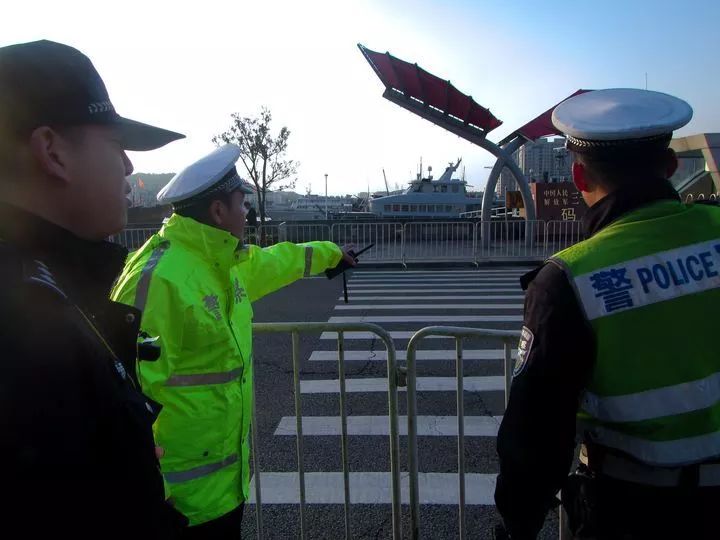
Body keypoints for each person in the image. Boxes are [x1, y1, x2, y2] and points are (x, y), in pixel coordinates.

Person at [494, 88, 720, 539]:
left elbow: (536, 435)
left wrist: (516, 526)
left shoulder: (569, 278)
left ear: (579, 175)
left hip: (635, 510)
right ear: (672, 166)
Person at [111, 144, 356, 537]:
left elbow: (280, 261)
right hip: (177, 503)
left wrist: (332, 255)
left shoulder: (224, 265)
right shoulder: (158, 278)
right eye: (242, 204)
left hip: (226, 487)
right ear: (218, 211)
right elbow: (124, 402)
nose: (247, 214)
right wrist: (148, 496)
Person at [0, 40, 187, 538]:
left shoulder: (48, 284)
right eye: (115, 146)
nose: (128, 168)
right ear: (52, 152)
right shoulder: (28, 323)